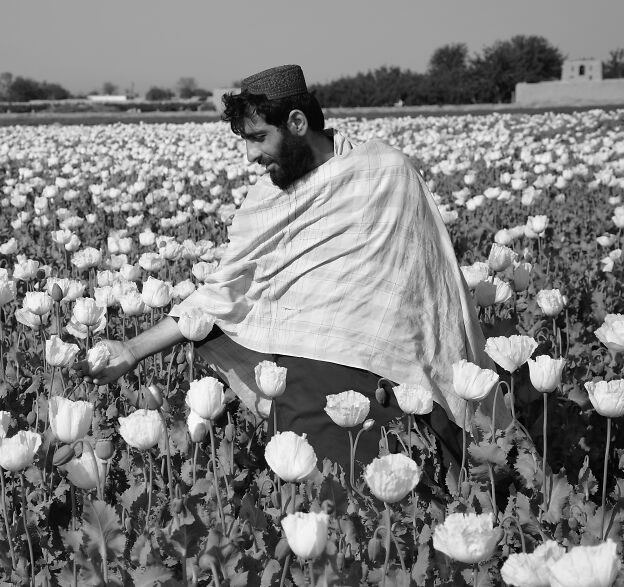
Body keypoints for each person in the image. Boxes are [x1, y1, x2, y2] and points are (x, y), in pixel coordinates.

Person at [79, 64, 495, 469]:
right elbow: (227, 292)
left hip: (397, 379)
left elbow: (431, 285)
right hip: (305, 381)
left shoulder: (386, 173)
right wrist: (132, 350)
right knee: (320, 504)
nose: (250, 155)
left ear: (297, 123)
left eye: (259, 138)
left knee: (415, 504)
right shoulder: (268, 199)